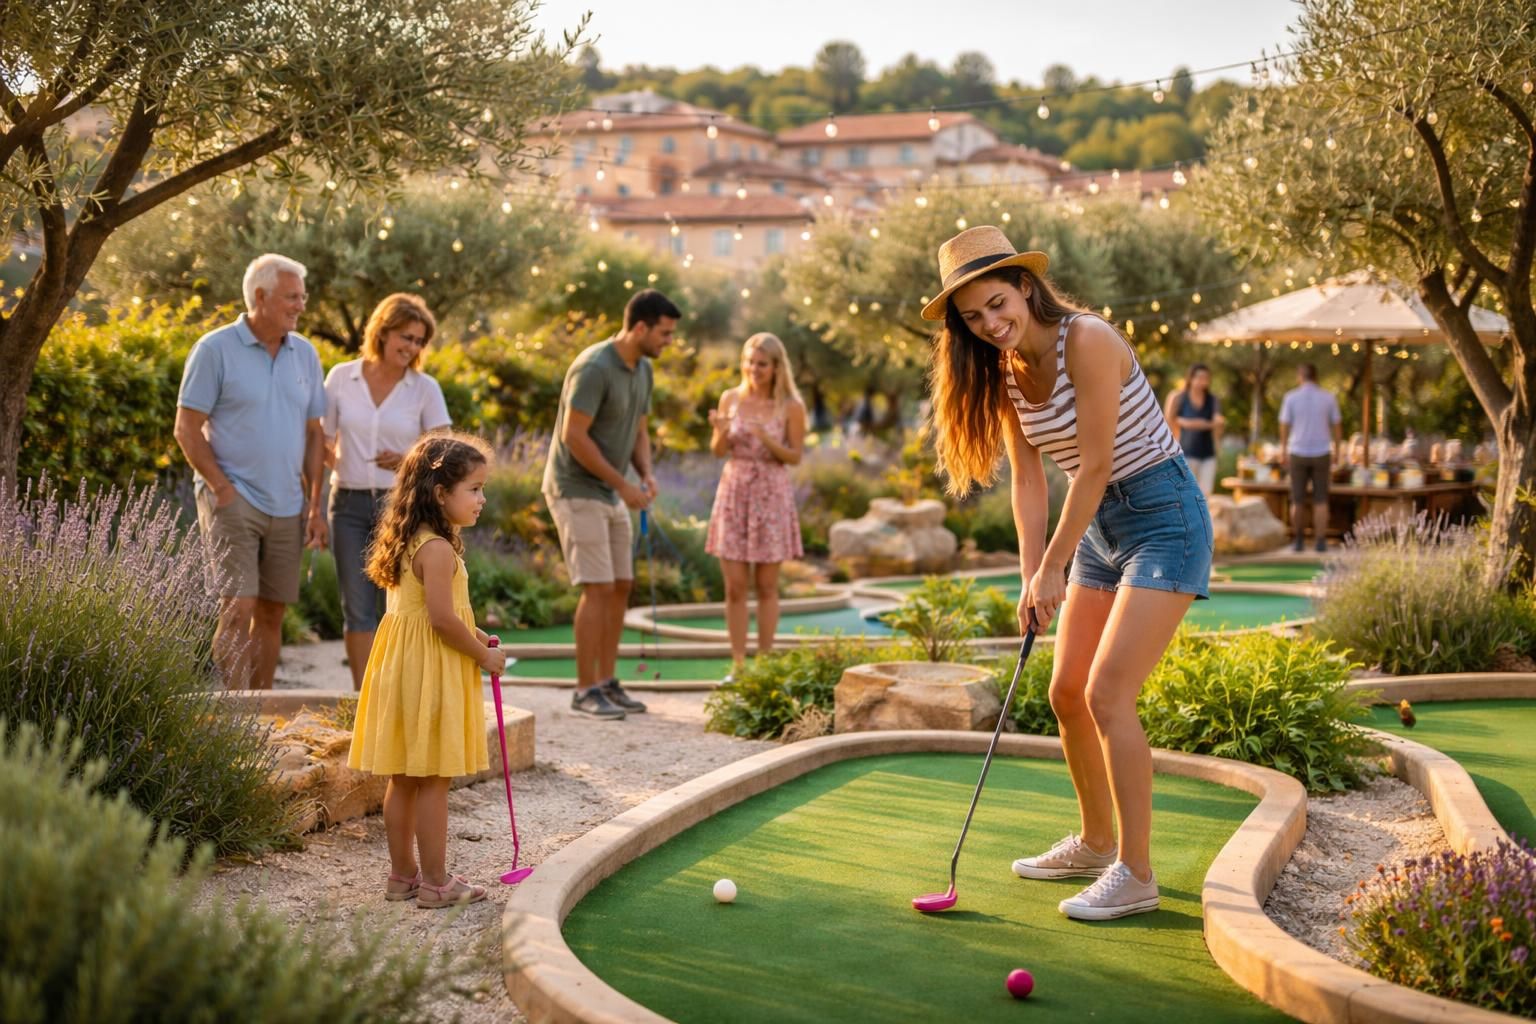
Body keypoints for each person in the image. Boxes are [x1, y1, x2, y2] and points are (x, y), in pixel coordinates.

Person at [922, 226, 1211, 922]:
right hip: (1097, 525)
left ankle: (1136, 873)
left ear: (1025, 286)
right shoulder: (1003, 371)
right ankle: (1095, 842)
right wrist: (1033, 575)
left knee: (1108, 693)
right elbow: (1028, 482)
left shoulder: (1088, 340)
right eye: (973, 317)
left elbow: (1099, 463)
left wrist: (1055, 562)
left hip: (1164, 515)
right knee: (1066, 692)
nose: (991, 323)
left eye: (998, 303)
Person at [347, 432, 506, 909]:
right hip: (429, 674)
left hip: (403, 669)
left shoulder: (408, 540)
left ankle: (403, 876)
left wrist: (478, 635)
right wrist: (482, 656)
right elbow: (440, 621)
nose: (481, 499)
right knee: (434, 779)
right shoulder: (436, 549)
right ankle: (437, 883)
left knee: (403, 778)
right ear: (440, 493)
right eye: (473, 489)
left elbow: (430, 613)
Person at [174, 253, 327, 690]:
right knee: (237, 607)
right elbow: (186, 428)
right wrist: (221, 489)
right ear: (260, 296)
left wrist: (315, 506)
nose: (301, 305)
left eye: (302, 297)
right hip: (233, 498)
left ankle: (263, 712)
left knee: (272, 611)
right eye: (292, 297)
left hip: (289, 503)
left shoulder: (305, 354)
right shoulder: (214, 349)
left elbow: (314, 434)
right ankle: (236, 715)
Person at [542, 289, 681, 720]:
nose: (669, 341)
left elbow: (639, 429)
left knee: (621, 584)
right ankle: (585, 690)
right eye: (664, 333)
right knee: (598, 587)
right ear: (639, 327)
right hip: (575, 488)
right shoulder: (594, 368)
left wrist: (646, 474)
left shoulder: (643, 370)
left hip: (610, 490)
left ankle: (606, 681)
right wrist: (623, 484)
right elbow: (574, 436)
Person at [317, 294, 452, 689]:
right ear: (382, 331)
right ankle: (364, 698)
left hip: (402, 509)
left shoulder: (424, 389)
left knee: (400, 606)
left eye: (419, 341)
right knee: (357, 608)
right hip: (347, 505)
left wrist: (409, 460)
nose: (412, 348)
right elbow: (321, 440)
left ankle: (398, 693)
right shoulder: (341, 378)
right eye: (406, 337)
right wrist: (336, 467)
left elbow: (445, 450)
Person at [705, 333, 807, 677]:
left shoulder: (791, 406)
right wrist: (720, 431)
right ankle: (737, 666)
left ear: (777, 367)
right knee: (734, 586)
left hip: (771, 494)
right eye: (749, 361)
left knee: (766, 586)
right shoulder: (730, 398)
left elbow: (794, 456)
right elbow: (718, 450)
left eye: (762, 363)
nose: (754, 368)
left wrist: (765, 438)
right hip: (734, 492)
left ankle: (763, 665)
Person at [1278, 364, 1342, 552]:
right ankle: (1320, 541)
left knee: (1297, 499)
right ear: (1316, 376)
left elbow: (1284, 425)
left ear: (1300, 376)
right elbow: (1337, 426)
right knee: (1321, 499)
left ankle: (1298, 540)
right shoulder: (1328, 397)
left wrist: (1283, 450)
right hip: (1322, 452)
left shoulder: (1290, 397)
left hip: (1297, 452)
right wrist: (1338, 451)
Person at [1163, 363, 1225, 495]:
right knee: (1187, 493)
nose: (1203, 381)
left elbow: (1218, 421)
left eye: (1206, 378)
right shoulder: (1178, 398)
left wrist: (1189, 422)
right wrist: (1204, 424)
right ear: (1191, 378)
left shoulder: (1212, 399)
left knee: (1205, 494)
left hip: (1208, 455)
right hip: (1185, 453)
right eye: (1200, 377)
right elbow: (1169, 422)